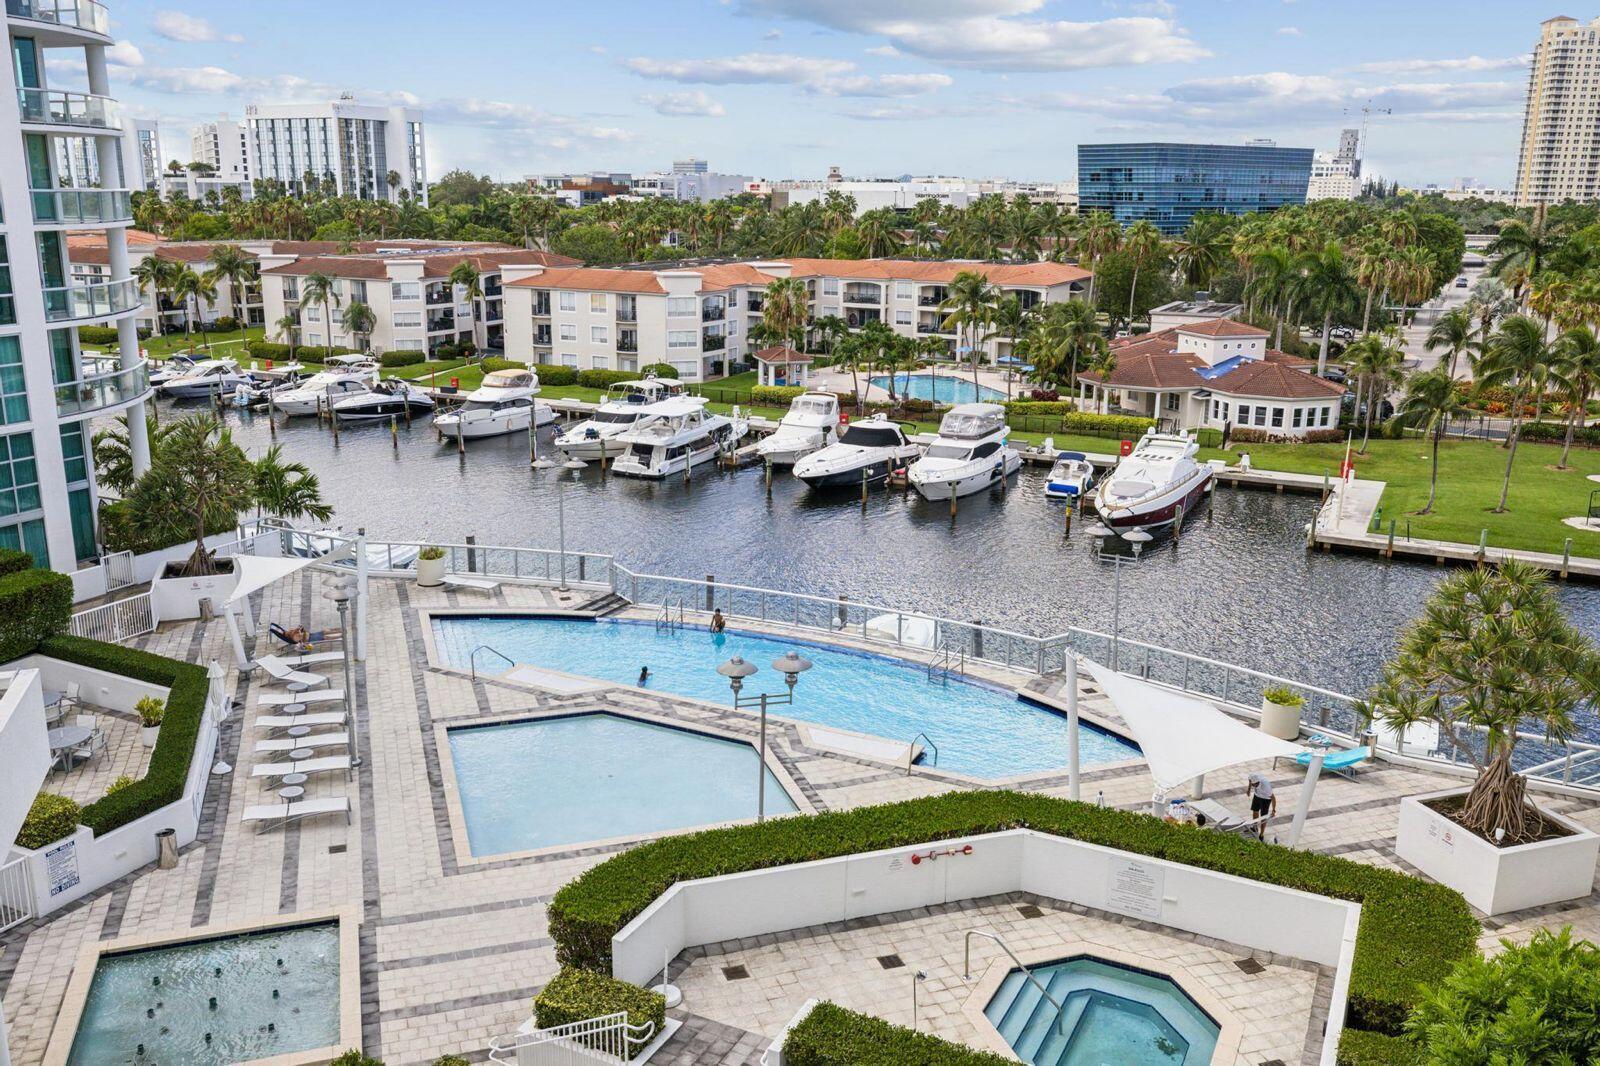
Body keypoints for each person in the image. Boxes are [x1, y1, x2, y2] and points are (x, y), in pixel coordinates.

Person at [1246, 771, 1276, 840]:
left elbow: (1273, 798)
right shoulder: (1253, 776)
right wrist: (1249, 790)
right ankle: (1255, 827)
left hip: (1266, 799)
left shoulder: (1266, 786)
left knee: (1263, 817)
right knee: (1255, 811)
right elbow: (1250, 781)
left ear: (1258, 782)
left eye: (1255, 785)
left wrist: (1274, 810)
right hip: (1257, 795)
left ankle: (1261, 834)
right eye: (1253, 785)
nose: (1254, 786)